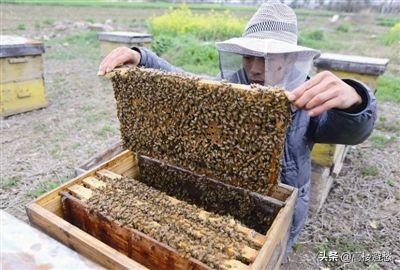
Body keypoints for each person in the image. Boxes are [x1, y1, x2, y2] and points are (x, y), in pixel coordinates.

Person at [98, 0, 376, 258]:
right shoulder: (229, 84)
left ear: (290, 59)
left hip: (285, 202)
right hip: (235, 195)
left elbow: (349, 131)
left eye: (265, 58)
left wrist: (357, 102)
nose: (255, 68)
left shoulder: (308, 98)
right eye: (248, 56)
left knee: (272, 255)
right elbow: (188, 85)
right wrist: (144, 59)